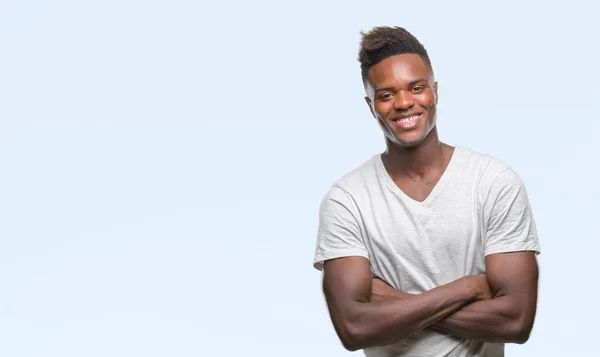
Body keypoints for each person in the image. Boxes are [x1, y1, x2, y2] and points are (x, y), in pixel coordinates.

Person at [312, 26, 540, 357]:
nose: (404, 103)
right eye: (387, 94)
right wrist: (468, 288)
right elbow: (354, 328)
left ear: (434, 91)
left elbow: (516, 321)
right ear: (370, 104)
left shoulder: (493, 182)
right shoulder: (347, 200)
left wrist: (393, 303)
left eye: (416, 88)